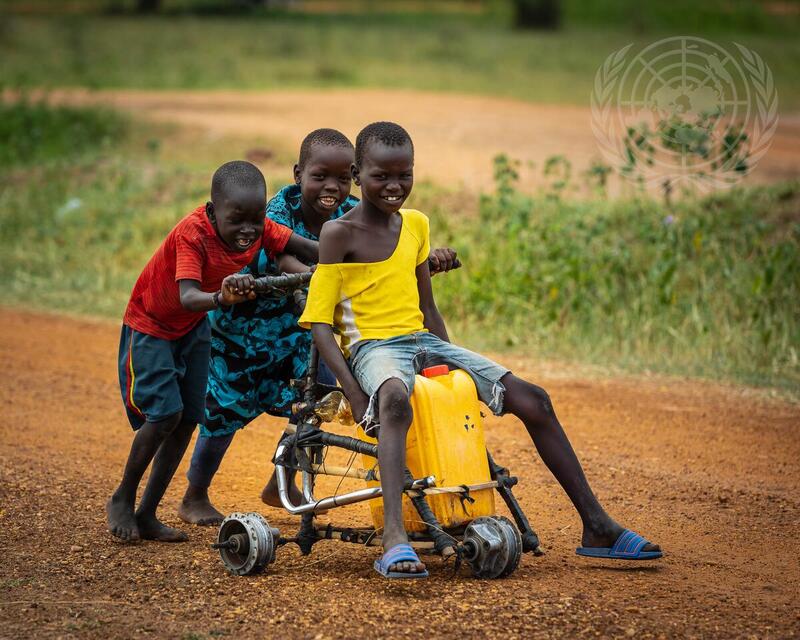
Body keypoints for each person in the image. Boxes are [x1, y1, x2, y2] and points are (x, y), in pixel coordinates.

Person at [300, 121, 662, 578]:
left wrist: (458, 374)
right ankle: (393, 538)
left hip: (421, 342)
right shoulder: (338, 234)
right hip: (372, 348)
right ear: (357, 174)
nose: (395, 186)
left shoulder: (416, 225)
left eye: (404, 175)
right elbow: (318, 322)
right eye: (381, 176)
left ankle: (598, 528)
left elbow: (427, 309)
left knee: (535, 399)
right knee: (394, 399)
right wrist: (354, 393)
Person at [177, 129, 458, 526]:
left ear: (355, 176)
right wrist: (324, 275)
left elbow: (384, 250)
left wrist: (428, 257)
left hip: (300, 333)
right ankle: (195, 494)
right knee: (223, 412)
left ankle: (283, 479)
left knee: (319, 395)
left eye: (343, 179)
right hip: (240, 334)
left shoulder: (354, 212)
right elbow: (281, 259)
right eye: (320, 177)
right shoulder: (276, 212)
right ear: (298, 175)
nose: (333, 187)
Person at [107, 160, 316, 543]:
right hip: (152, 326)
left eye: (256, 218)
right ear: (213, 209)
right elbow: (187, 297)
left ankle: (148, 512)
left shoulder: (259, 228)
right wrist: (222, 296)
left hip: (192, 329)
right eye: (236, 219)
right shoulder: (194, 234)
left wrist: (361, 258)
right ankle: (123, 496)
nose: (248, 230)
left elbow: (304, 246)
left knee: (189, 417)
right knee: (164, 414)